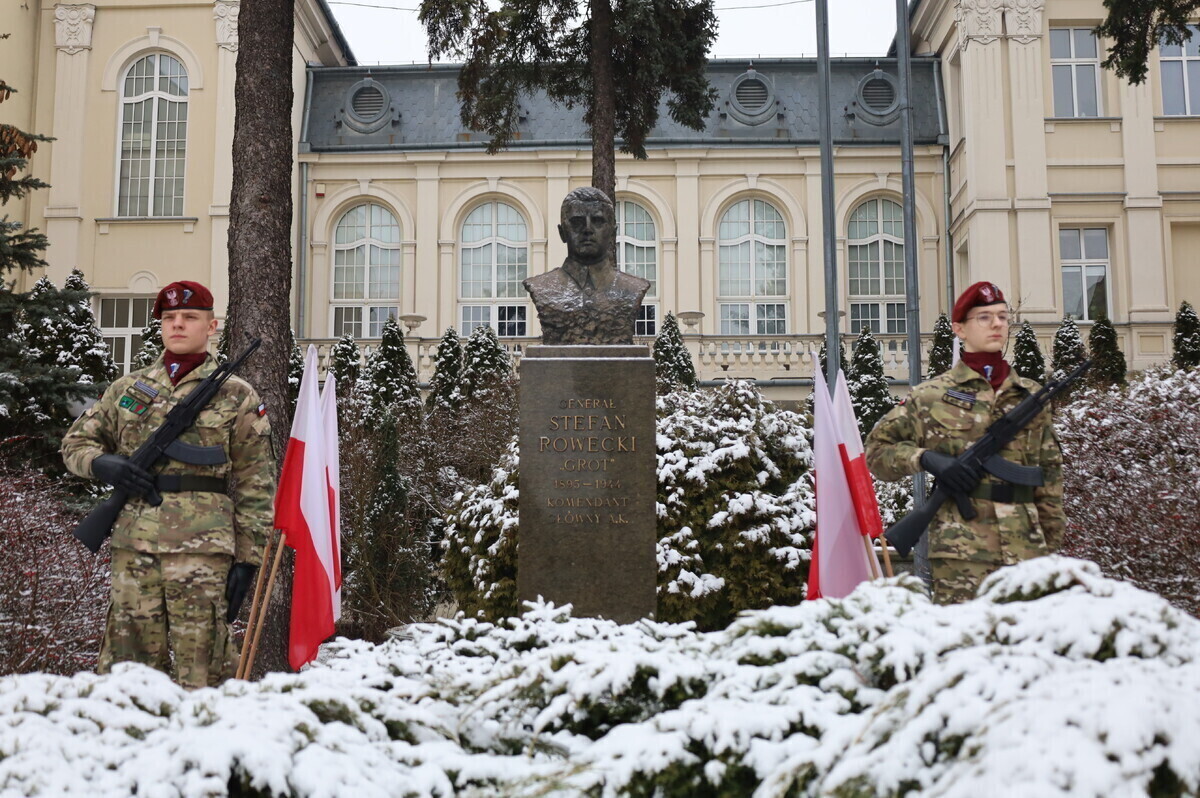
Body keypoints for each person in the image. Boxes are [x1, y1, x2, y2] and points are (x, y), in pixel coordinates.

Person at [62, 281, 275, 687]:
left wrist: (248, 560)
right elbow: (76, 443)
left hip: (202, 550)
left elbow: (256, 482)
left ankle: (205, 747)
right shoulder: (128, 388)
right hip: (134, 544)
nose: (178, 325)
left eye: (189, 318)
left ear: (211, 326)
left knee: (205, 666)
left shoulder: (236, 395)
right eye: (169, 318)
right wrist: (104, 464)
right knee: (127, 666)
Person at [864, 281, 1065, 604]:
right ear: (959, 328)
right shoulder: (931, 396)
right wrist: (925, 458)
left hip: (1027, 546)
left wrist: (1049, 544)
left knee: (1027, 647)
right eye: (984, 317)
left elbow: (1050, 474)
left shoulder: (1029, 395)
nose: (997, 324)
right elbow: (876, 453)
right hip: (962, 550)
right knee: (965, 646)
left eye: (1002, 316)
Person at [523, 187, 651, 345]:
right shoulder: (542, 287)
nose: (588, 229)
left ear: (612, 233)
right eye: (577, 222)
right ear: (562, 232)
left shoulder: (633, 288)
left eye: (597, 221)